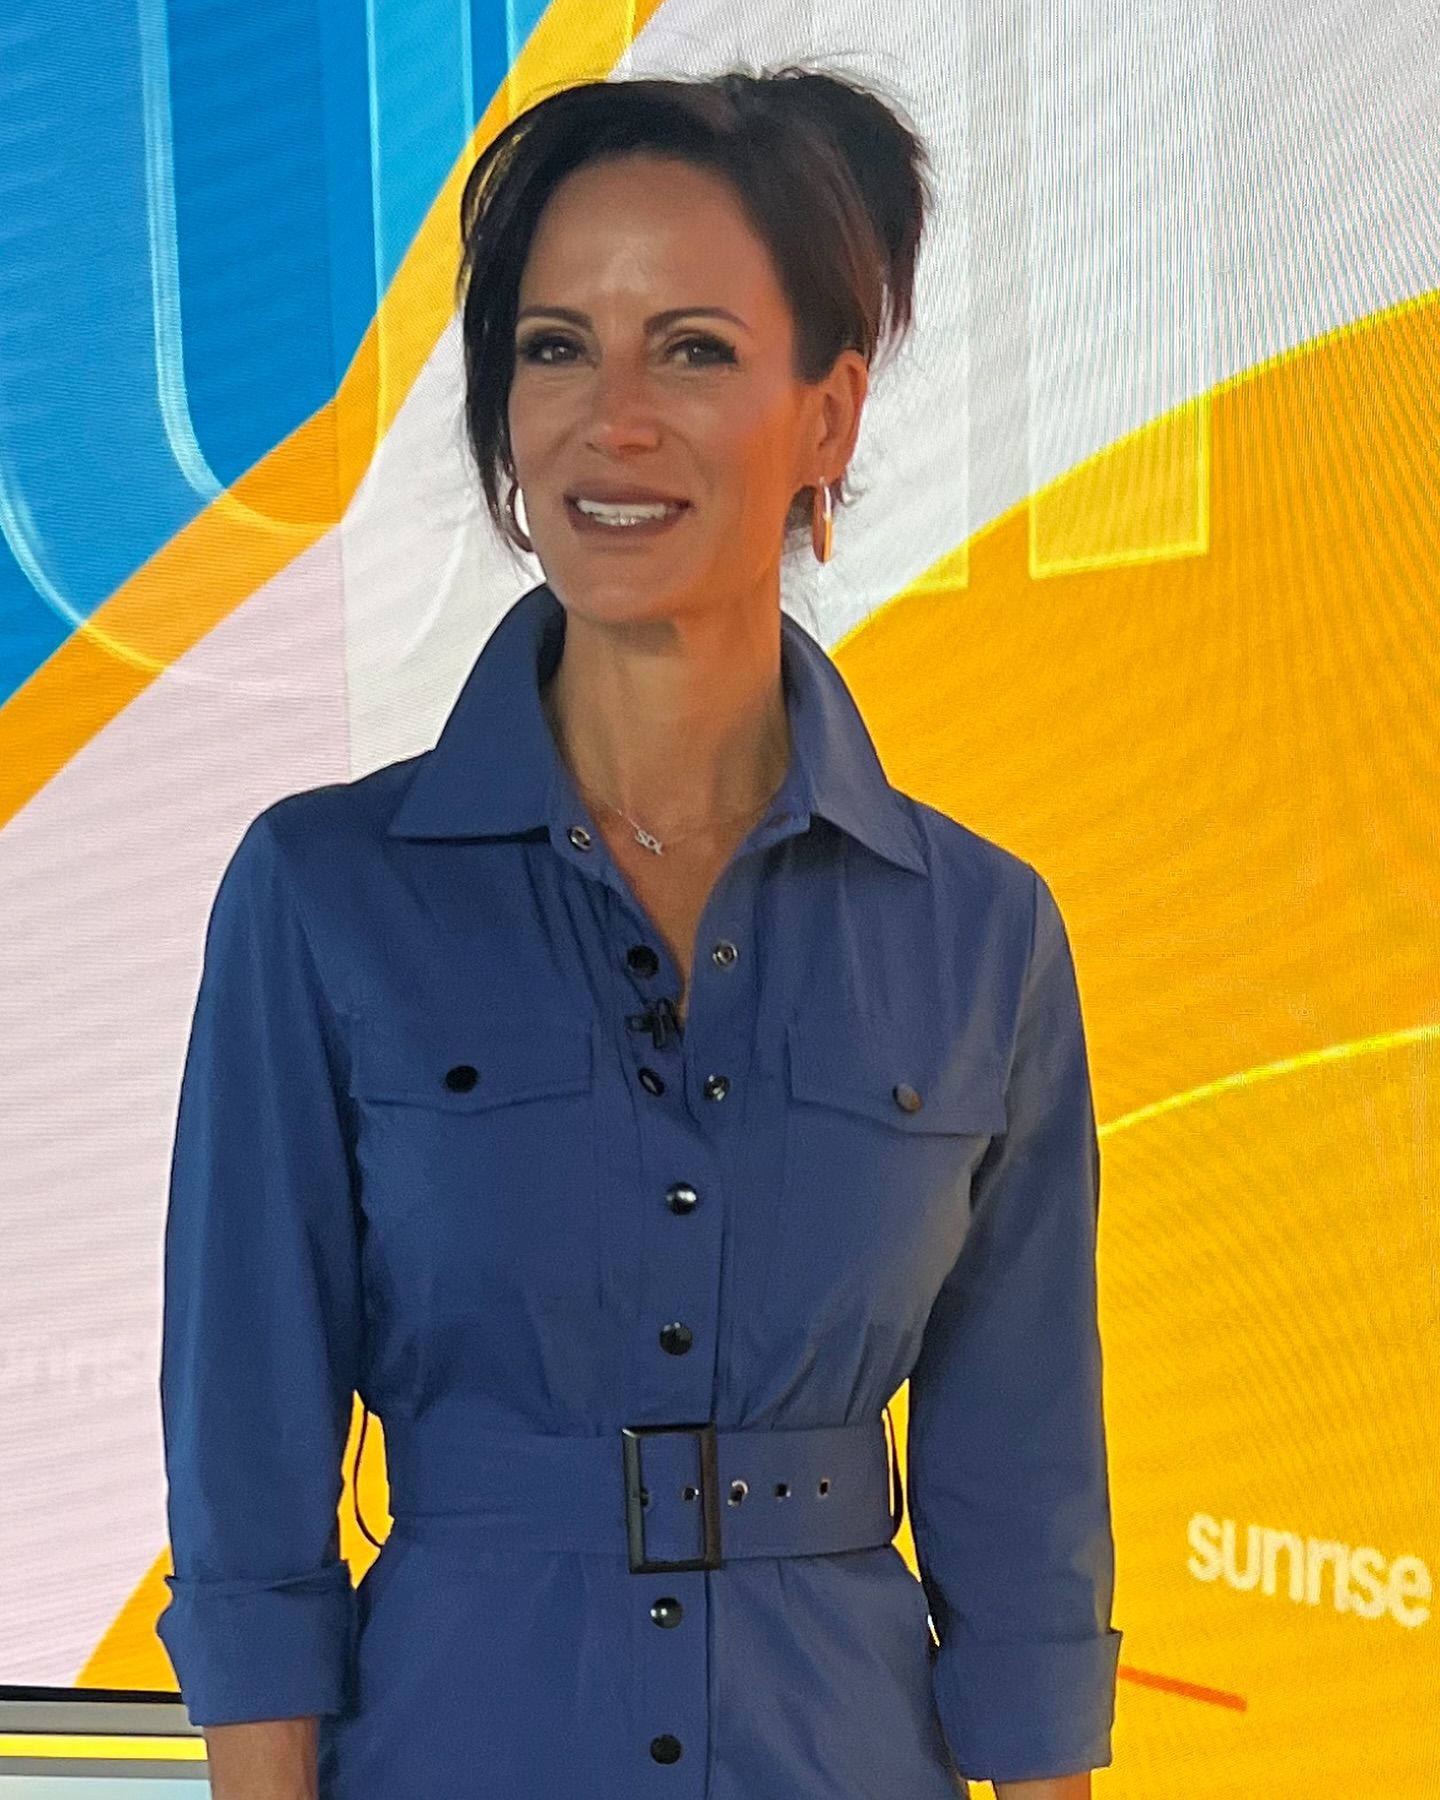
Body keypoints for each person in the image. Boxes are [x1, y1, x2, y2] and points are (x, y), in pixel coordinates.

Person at [156, 62, 1123, 1800]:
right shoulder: (321, 897)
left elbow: (1026, 1501)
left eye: (692, 351)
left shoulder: (984, 935)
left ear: (827, 416)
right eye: (554, 349)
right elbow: (249, 1477)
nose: (611, 421)